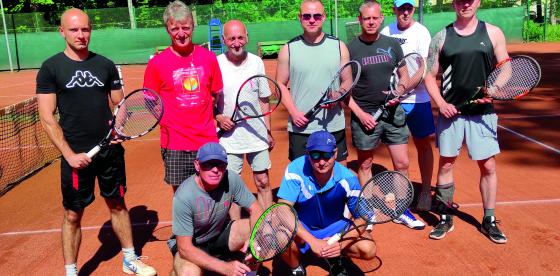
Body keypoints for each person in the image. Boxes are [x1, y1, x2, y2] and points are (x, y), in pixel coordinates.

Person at [36, 8, 155, 276]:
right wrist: (68, 154)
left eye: (85, 29)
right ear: (62, 31)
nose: (81, 35)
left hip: (109, 152)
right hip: (75, 156)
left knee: (117, 204)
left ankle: (129, 259)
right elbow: (47, 118)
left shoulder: (105, 65)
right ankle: (71, 271)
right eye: (75, 30)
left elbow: (121, 103)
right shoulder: (50, 68)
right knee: (72, 215)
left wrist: (119, 129)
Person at [424, 0, 509, 243]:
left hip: (482, 114)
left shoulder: (493, 33)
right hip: (451, 113)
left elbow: (506, 68)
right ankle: (445, 216)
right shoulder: (441, 37)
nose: (465, 4)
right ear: (454, 4)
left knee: (488, 166)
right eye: (460, 0)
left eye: (470, 0)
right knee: (446, 166)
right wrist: (441, 104)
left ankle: (489, 219)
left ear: (478, 2)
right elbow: (429, 76)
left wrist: (493, 89)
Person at [346, 0, 425, 230]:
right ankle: (368, 209)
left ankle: (402, 209)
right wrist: (361, 115)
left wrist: (399, 92)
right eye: (366, 18)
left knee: (402, 163)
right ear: (360, 20)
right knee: (365, 163)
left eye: (375, 18)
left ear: (381, 19)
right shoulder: (350, 49)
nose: (370, 22)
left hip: (393, 114)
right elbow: (345, 89)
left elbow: (404, 76)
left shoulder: (392, 44)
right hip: (365, 116)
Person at [143, 0, 223, 192]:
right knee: (182, 196)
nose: (181, 33)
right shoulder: (157, 64)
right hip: (174, 144)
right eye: (174, 28)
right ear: (167, 30)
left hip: (206, 141)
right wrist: (167, 120)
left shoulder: (209, 58)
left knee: (212, 193)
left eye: (185, 27)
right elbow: (149, 100)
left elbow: (216, 95)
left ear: (193, 27)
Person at [278, 130, 376, 276]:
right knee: (279, 238)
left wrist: (340, 244)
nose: (321, 162)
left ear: (335, 153)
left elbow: (363, 218)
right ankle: (296, 268)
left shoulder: (348, 179)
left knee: (368, 248)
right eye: (315, 155)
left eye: (326, 155)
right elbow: (283, 209)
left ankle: (335, 255)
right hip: (303, 227)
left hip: (335, 229)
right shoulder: (296, 169)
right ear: (308, 154)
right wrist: (312, 241)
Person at [168, 142, 262, 276]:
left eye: (220, 165)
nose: (215, 170)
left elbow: (256, 209)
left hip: (218, 233)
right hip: (193, 244)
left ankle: (249, 274)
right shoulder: (184, 196)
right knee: (188, 273)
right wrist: (224, 267)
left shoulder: (231, 179)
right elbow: (185, 248)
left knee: (262, 232)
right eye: (208, 164)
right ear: (197, 165)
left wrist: (255, 240)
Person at [276, 0, 350, 164]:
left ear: (323, 17)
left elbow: (347, 81)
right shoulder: (288, 49)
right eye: (307, 16)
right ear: (300, 17)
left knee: (337, 175)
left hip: (333, 126)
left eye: (316, 16)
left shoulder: (339, 46)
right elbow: (280, 84)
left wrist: (337, 96)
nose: (312, 20)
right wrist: (294, 113)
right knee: (302, 178)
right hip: (301, 127)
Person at [380, 0, 435, 211]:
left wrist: (402, 90)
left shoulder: (422, 33)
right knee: (396, 147)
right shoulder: (386, 30)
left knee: (423, 145)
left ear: (413, 9)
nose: (405, 12)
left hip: (418, 100)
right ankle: (400, 189)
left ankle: (425, 190)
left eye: (409, 8)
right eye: (401, 8)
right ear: (394, 9)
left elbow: (421, 67)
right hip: (394, 100)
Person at [216, 20, 273, 219]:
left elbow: (264, 98)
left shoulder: (257, 62)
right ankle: (235, 229)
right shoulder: (216, 63)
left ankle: (268, 225)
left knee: (263, 181)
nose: (237, 42)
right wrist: (219, 117)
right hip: (229, 139)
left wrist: (268, 131)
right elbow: (210, 100)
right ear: (224, 40)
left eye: (240, 37)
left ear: (247, 37)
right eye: (232, 38)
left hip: (257, 135)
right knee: (231, 184)